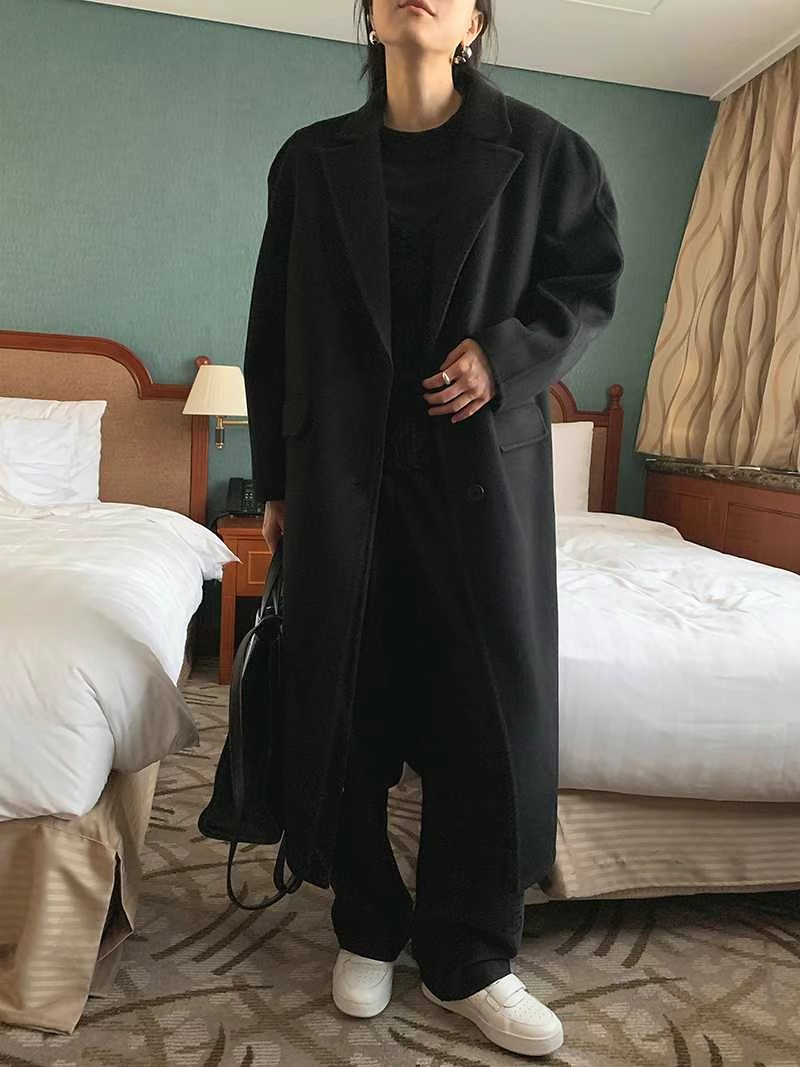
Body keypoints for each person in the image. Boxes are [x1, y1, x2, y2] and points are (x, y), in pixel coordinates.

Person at [243, 0, 624, 1057]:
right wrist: (276, 475)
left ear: (473, 22)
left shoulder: (547, 153)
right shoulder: (310, 161)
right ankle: (366, 922)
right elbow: (272, 324)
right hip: (341, 480)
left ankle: (471, 955)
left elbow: (586, 287)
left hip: (478, 484)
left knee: (482, 716)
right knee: (348, 701)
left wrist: (503, 355)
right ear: (369, 17)